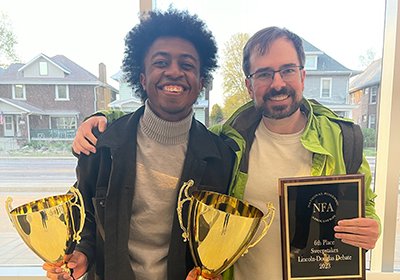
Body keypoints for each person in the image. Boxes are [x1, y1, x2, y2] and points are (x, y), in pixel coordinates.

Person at [72, 26, 380, 280]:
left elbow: (364, 207)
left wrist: (371, 229)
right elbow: (84, 207)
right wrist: (100, 119)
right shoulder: (232, 143)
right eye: (264, 74)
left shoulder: (342, 140)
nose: (277, 83)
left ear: (303, 76)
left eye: (287, 70)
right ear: (249, 84)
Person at [42, 9, 234, 280]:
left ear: (201, 82)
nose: (174, 72)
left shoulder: (220, 158)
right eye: (161, 62)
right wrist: (82, 252)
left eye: (187, 65)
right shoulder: (102, 144)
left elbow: (218, 236)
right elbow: (84, 211)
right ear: (142, 78)